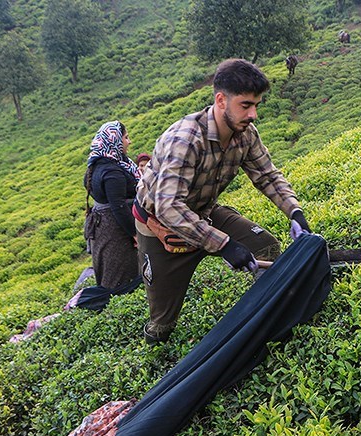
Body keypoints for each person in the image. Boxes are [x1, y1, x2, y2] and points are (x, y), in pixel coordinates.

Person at [133, 58, 312, 344]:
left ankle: (270, 318)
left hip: (203, 211)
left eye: (257, 105)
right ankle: (157, 346)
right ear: (220, 100)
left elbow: (267, 176)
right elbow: (169, 207)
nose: (253, 114)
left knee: (266, 247)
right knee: (162, 321)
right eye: (245, 105)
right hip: (162, 225)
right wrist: (224, 244)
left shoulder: (245, 134)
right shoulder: (187, 138)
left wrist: (295, 211)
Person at [83, 121, 141, 290]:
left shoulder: (96, 163)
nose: (129, 142)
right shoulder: (112, 171)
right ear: (115, 140)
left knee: (111, 276)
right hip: (115, 232)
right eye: (126, 137)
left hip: (103, 229)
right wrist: (134, 233)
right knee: (122, 280)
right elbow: (118, 207)